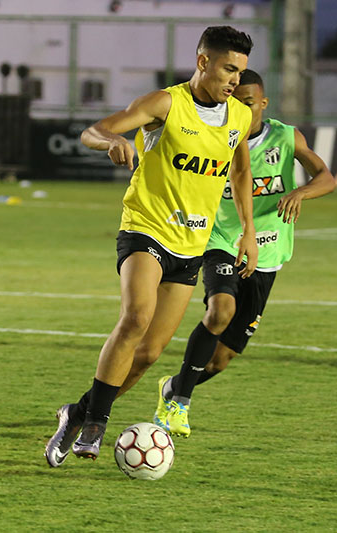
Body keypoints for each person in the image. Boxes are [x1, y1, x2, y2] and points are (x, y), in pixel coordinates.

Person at [45, 26, 259, 467]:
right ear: (203, 62)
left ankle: (77, 411)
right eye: (228, 69)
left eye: (239, 71)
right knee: (136, 317)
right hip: (146, 228)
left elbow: (239, 172)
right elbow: (94, 130)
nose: (235, 79)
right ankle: (96, 425)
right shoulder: (166, 103)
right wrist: (114, 141)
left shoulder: (238, 116)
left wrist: (248, 231)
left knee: (148, 356)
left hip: (191, 245)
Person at [151, 69, 336, 437]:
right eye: (236, 101)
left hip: (268, 256)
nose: (242, 109)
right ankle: (179, 405)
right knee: (221, 309)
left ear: (263, 104)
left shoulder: (286, 137)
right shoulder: (216, 138)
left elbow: (326, 177)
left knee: (221, 360)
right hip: (222, 241)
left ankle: (173, 387)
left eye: (249, 103)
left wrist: (300, 193)